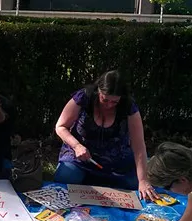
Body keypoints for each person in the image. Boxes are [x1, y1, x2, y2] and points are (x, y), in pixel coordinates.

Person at [54, 70, 158, 201]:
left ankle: (97, 180)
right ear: (98, 90)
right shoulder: (84, 97)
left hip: (117, 161)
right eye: (105, 99)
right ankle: (93, 179)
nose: (109, 105)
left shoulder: (128, 107)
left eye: (114, 102)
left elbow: (139, 146)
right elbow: (60, 126)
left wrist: (143, 180)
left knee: (137, 184)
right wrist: (77, 146)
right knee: (66, 177)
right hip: (82, 157)